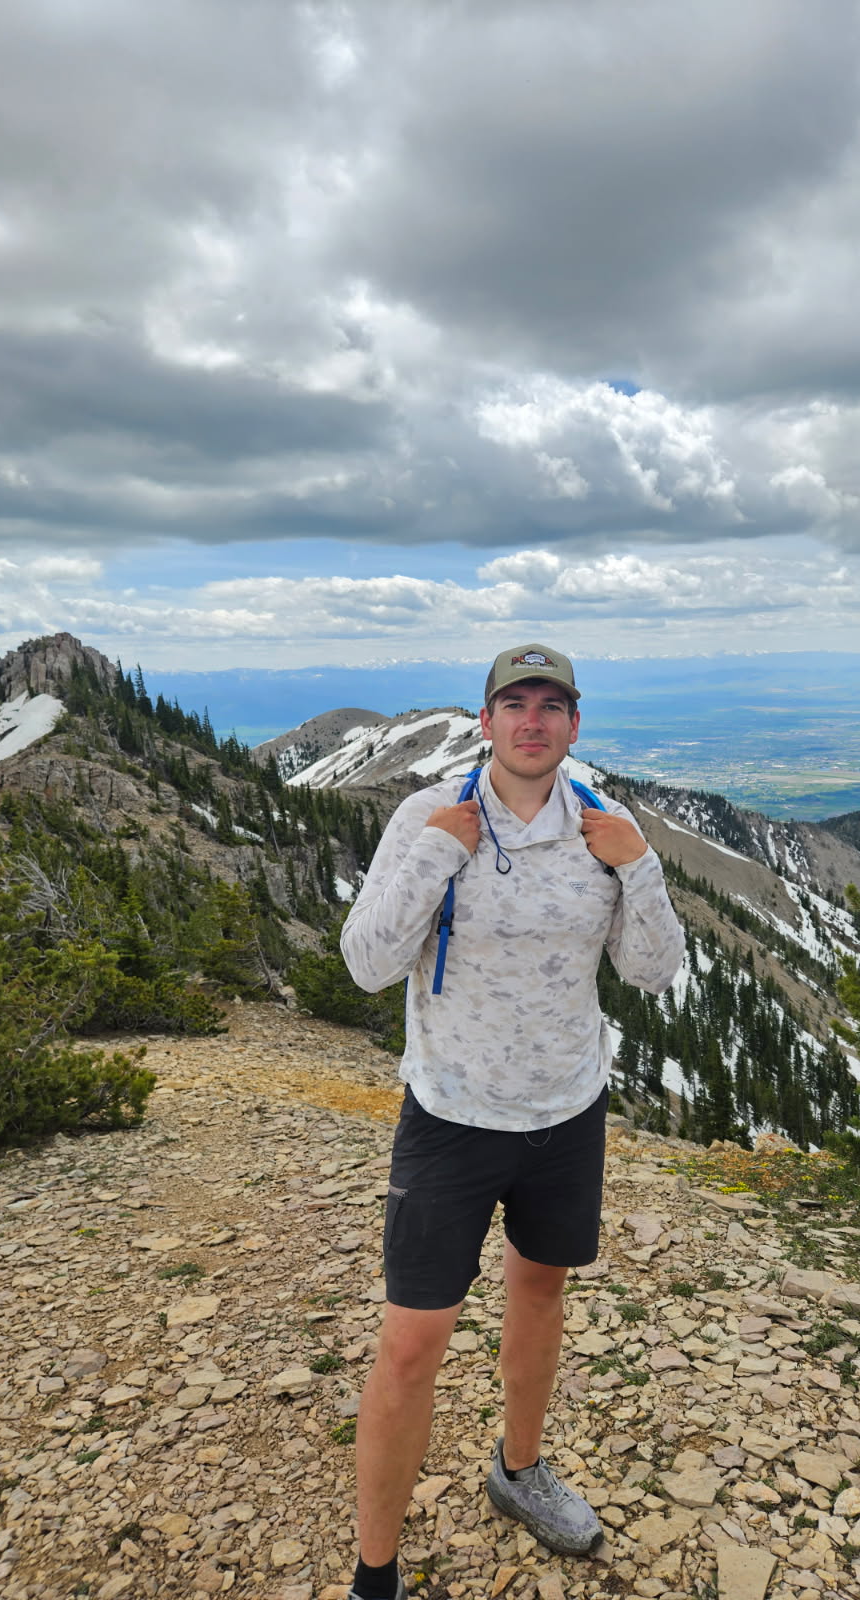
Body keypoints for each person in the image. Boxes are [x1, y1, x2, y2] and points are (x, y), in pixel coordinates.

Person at [339, 643, 685, 1600]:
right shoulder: (426, 818)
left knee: (541, 1294)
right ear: (485, 721)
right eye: (514, 704)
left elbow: (654, 971)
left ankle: (520, 1471)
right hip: (450, 1115)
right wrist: (439, 854)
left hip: (569, 1110)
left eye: (552, 705)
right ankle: (376, 1575)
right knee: (412, 1342)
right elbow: (365, 963)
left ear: (576, 726)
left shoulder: (604, 829)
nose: (533, 721)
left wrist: (642, 867)